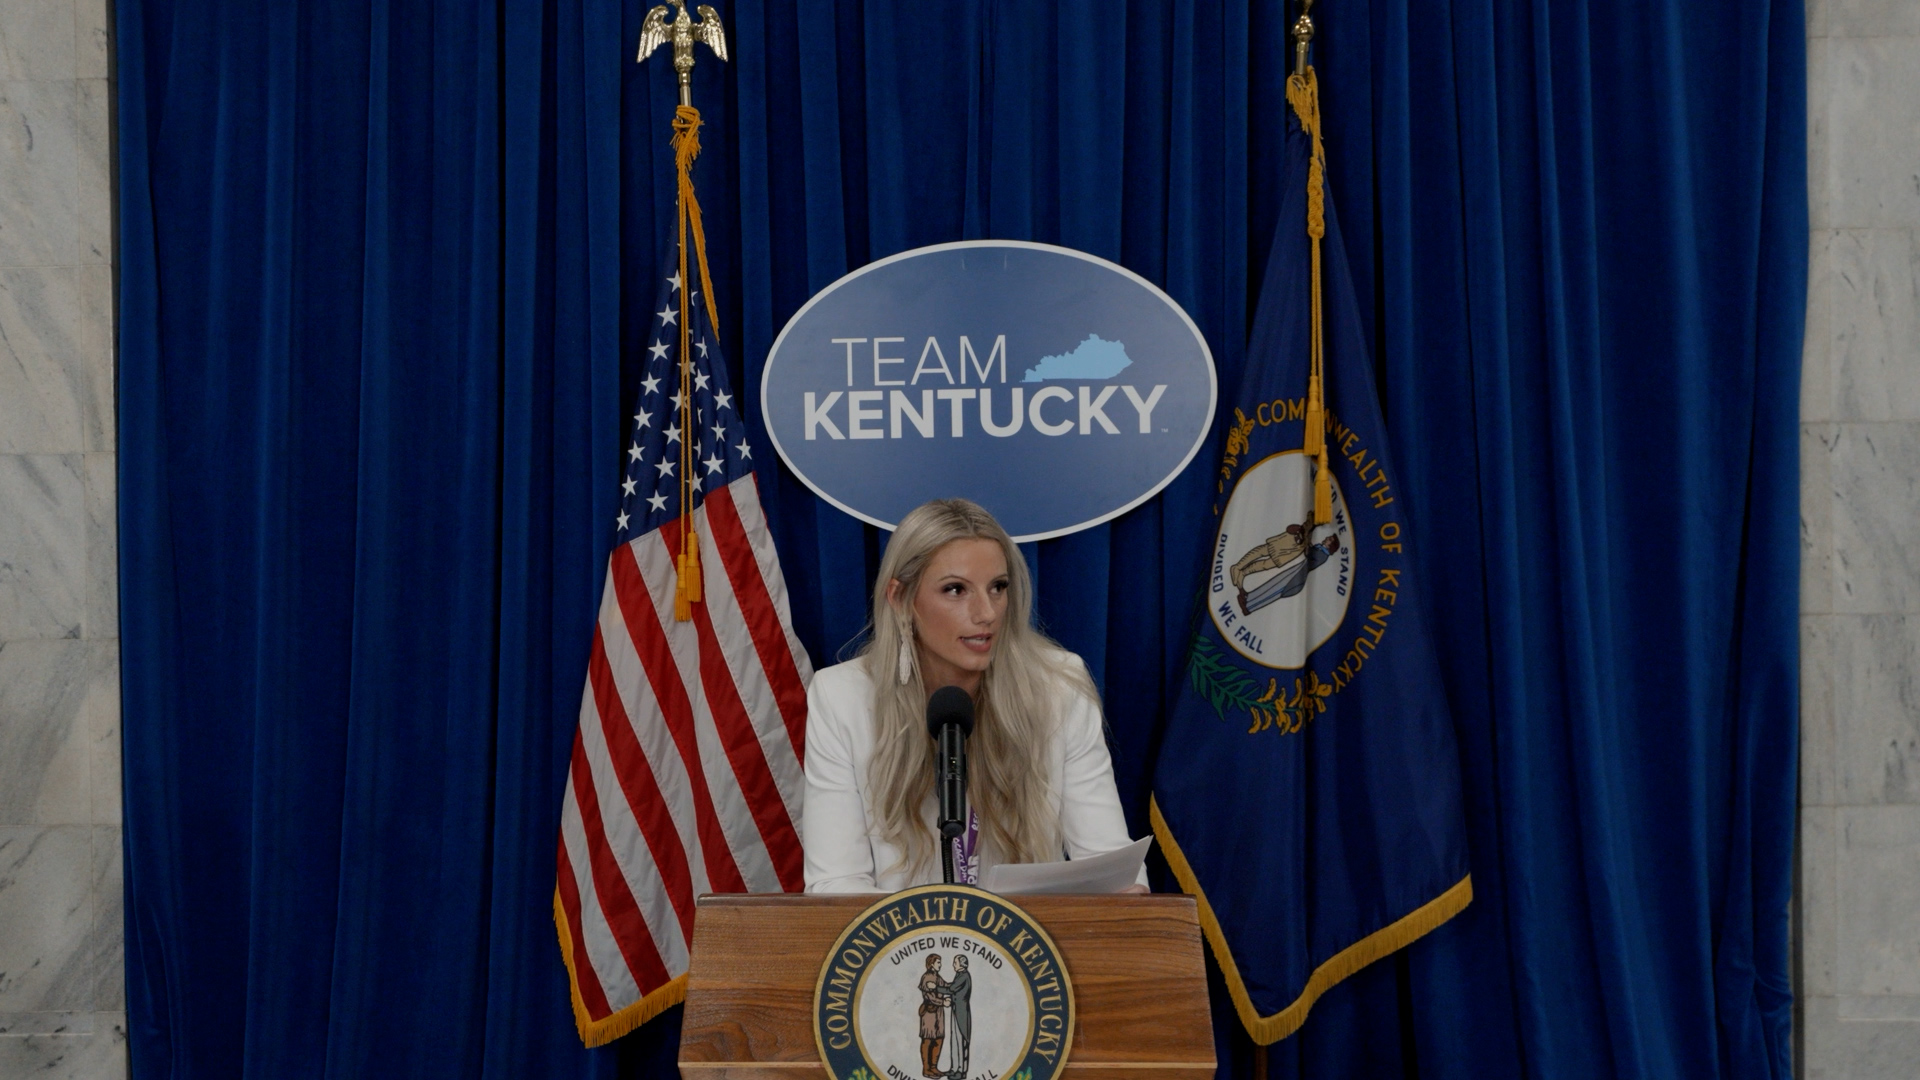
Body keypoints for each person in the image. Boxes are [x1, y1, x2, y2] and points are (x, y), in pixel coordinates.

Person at [802, 498, 1149, 893]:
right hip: (898, 950)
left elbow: (1109, 864)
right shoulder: (841, 698)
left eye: (998, 587)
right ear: (900, 599)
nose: (986, 613)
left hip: (1029, 948)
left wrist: (1126, 895)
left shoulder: (1059, 687)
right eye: (955, 590)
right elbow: (836, 884)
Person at [918, 953, 949, 1078]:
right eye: (938, 963)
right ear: (931, 964)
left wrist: (956, 986)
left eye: (940, 963)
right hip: (929, 1013)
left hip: (939, 1013)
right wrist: (943, 1002)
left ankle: (934, 1067)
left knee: (938, 1039)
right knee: (928, 1040)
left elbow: (945, 986)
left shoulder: (938, 977)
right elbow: (929, 997)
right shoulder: (926, 977)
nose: (940, 965)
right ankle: (926, 1069)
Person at [944, 954, 972, 1079]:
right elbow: (952, 986)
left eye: (955, 962)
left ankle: (961, 1071)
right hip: (955, 1011)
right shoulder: (959, 975)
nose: (953, 965)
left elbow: (952, 989)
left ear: (961, 964)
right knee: (954, 1040)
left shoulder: (964, 976)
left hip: (961, 1013)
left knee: (961, 1042)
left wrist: (936, 987)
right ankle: (954, 1068)